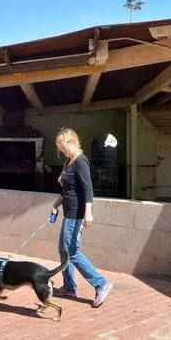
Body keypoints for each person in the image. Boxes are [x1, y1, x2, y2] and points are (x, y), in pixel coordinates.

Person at [51, 128, 113, 308]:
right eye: (61, 149)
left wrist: (88, 213)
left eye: (64, 148)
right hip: (68, 213)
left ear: (72, 143)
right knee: (63, 250)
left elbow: (88, 189)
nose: (63, 152)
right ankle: (69, 287)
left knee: (71, 251)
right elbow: (67, 192)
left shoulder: (81, 161)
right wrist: (55, 205)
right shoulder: (69, 162)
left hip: (77, 215)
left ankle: (101, 284)